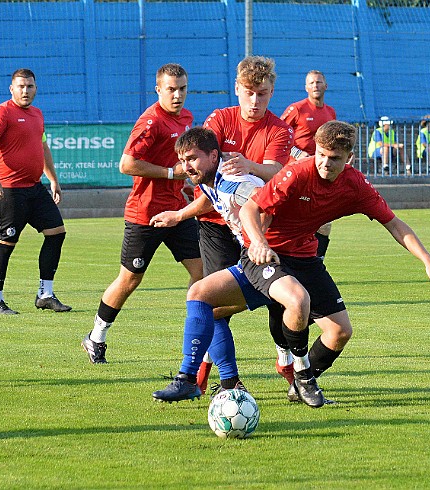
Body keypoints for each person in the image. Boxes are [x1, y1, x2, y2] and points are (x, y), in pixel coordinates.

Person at [153, 120, 430, 408]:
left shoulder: (355, 186)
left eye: (334, 158)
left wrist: (428, 260)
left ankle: (298, 385)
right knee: (268, 299)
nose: (324, 163)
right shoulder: (297, 172)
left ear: (349, 158)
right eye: (320, 155)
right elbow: (251, 210)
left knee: (339, 332)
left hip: (306, 260)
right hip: (268, 256)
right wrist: (258, 242)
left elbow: (394, 224)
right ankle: (206, 377)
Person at [151, 56, 292, 391]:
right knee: (211, 304)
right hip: (216, 226)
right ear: (237, 89)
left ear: (271, 92)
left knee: (282, 303)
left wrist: (250, 165)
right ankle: (219, 380)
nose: (255, 101)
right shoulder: (220, 119)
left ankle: (291, 365)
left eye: (263, 94)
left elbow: (278, 175)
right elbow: (205, 172)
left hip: (261, 228)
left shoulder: (278, 129)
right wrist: (181, 214)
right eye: (249, 93)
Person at [81, 63, 202, 364]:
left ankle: (196, 336)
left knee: (202, 272)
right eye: (171, 89)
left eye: (183, 89)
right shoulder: (150, 121)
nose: (178, 95)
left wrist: (184, 186)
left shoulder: (186, 118)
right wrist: (170, 174)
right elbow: (126, 164)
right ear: (159, 89)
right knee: (130, 279)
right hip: (145, 214)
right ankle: (96, 336)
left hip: (177, 211)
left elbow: (178, 166)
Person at [151, 127, 263, 402]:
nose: (186, 166)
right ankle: (227, 383)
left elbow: (262, 200)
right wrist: (178, 215)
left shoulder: (237, 184)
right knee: (208, 304)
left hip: (274, 262)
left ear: (214, 156)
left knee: (201, 296)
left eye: (192, 158)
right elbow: (209, 199)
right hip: (260, 260)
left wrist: (264, 243)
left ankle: (192, 379)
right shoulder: (212, 181)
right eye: (182, 160)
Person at [0, 68, 71, 315]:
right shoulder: (2, 111)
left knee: (56, 233)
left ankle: (45, 294)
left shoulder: (37, 114)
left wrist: (53, 178)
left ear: (35, 88)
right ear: (12, 89)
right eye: (20, 86)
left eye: (30, 86)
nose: (25, 90)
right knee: (5, 242)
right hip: (9, 190)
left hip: (35, 188)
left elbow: (43, 147)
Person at [281, 69, 337, 259]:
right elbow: (278, 136)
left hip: (320, 173)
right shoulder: (296, 109)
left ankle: (316, 261)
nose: (315, 86)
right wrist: (298, 153)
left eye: (319, 82)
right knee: (299, 220)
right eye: (311, 83)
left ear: (326, 86)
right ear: (306, 87)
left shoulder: (330, 112)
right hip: (297, 173)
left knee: (325, 222)